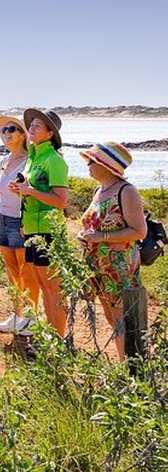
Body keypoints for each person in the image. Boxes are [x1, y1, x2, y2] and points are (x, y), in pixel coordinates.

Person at [77, 142, 147, 360]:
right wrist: (86, 236)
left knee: (121, 317)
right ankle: (125, 364)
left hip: (118, 266)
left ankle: (130, 369)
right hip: (99, 265)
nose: (88, 164)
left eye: (92, 161)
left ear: (106, 165)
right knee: (110, 315)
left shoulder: (127, 191)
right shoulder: (100, 190)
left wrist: (102, 237)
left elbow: (139, 231)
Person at [9, 109, 69, 337]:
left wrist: (29, 190)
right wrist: (20, 191)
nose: (31, 129)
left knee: (53, 288)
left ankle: (60, 340)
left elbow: (61, 201)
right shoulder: (34, 158)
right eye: (30, 125)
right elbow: (32, 195)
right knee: (43, 286)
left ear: (50, 133)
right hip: (33, 230)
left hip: (49, 232)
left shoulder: (53, 160)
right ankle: (50, 337)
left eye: (37, 126)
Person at [0, 115, 40, 335]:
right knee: (11, 270)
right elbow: (0, 196)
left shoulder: (30, 160)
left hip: (21, 221)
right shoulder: (5, 161)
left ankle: (31, 317)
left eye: (12, 129)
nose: (7, 133)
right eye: (4, 130)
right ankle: (17, 314)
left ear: (23, 134)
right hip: (2, 218)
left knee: (26, 270)